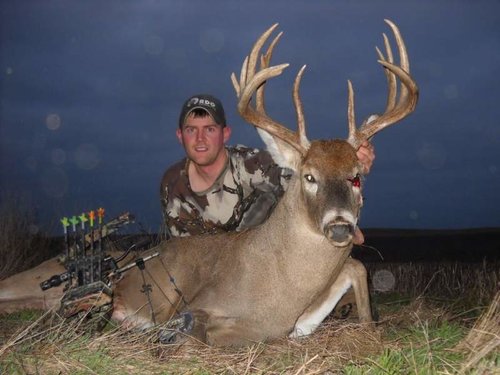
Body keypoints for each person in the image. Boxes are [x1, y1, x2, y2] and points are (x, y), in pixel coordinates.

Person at [160, 94, 375, 243]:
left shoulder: (254, 164)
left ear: (225, 133)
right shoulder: (173, 184)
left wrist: (350, 168)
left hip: (268, 258)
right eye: (191, 130)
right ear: (180, 136)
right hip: (214, 271)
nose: (200, 139)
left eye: (209, 129)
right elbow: (187, 250)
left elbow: (311, 180)